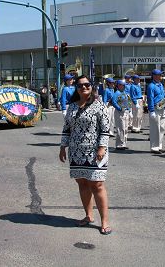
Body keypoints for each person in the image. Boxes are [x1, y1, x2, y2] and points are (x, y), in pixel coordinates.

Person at [59, 75, 112, 235]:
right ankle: (89, 216)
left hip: (95, 152)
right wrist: (63, 147)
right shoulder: (72, 107)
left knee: (97, 185)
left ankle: (104, 221)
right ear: (76, 88)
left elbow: (105, 129)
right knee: (82, 184)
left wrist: (102, 147)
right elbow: (67, 127)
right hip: (76, 153)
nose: (84, 87)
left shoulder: (99, 106)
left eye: (87, 84)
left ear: (92, 86)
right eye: (80, 85)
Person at [147, 69, 165, 154]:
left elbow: (163, 95)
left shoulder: (160, 85)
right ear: (154, 76)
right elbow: (150, 99)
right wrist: (151, 110)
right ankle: (154, 147)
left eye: (160, 75)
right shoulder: (151, 86)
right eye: (159, 75)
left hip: (162, 108)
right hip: (155, 108)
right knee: (155, 128)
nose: (160, 76)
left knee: (162, 128)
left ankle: (159, 145)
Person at [111, 80, 132, 150]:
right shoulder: (116, 93)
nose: (123, 86)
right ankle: (119, 144)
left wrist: (129, 109)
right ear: (118, 85)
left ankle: (124, 143)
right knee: (121, 128)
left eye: (124, 85)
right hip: (120, 112)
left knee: (125, 128)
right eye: (122, 85)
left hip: (125, 112)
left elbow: (128, 101)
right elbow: (113, 102)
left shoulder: (124, 93)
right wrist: (119, 108)